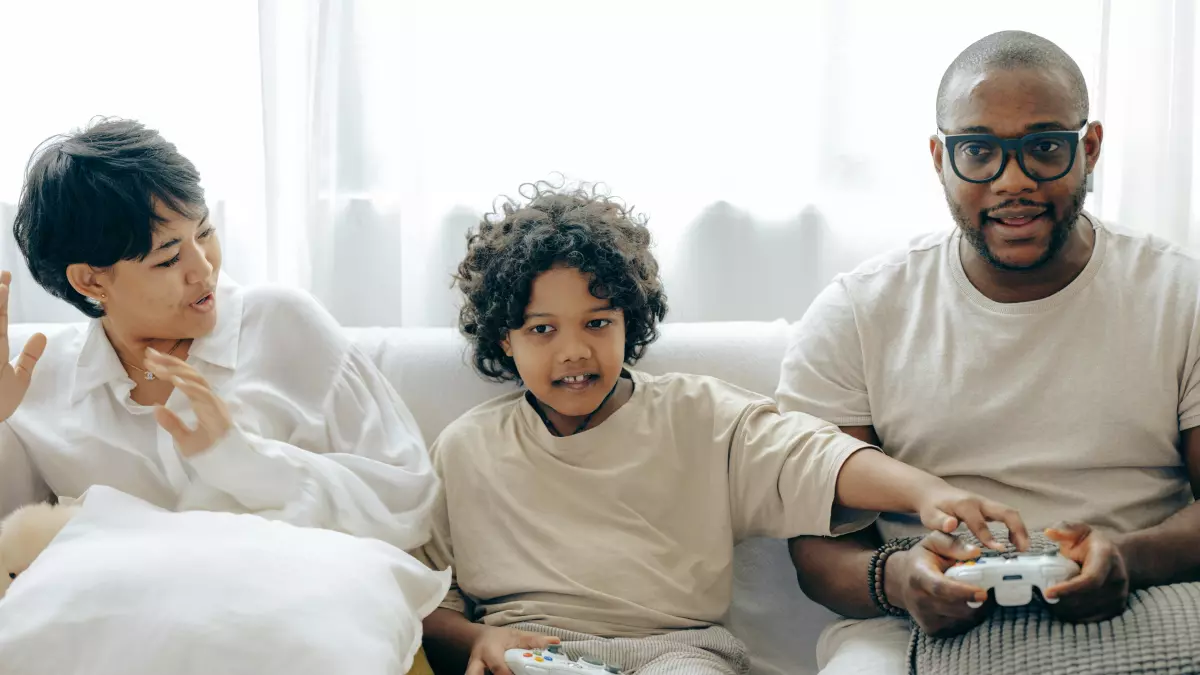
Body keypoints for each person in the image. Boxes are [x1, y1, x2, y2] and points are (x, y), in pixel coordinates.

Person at [416, 181, 1027, 675]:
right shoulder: (468, 449)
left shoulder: (700, 415)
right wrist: (477, 642)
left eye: (597, 323)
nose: (574, 351)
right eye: (542, 329)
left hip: (676, 654)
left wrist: (929, 494)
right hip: (531, 656)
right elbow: (421, 604)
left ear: (630, 319)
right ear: (504, 337)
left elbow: (811, 457)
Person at [779, 30, 1200, 674]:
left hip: (1154, 592)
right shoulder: (858, 313)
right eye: (978, 151)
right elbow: (817, 550)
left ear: (1088, 150)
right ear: (939, 157)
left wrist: (1129, 558)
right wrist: (898, 578)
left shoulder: (1180, 294)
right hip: (930, 620)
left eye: (1044, 149)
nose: (1013, 182)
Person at [0, 117, 437, 552]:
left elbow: (408, 507)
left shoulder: (282, 325)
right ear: (91, 282)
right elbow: (18, 555)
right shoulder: (36, 382)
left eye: (204, 232)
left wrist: (244, 460)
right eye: (168, 259)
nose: (204, 268)